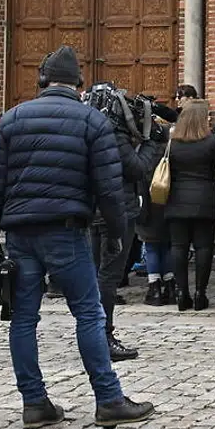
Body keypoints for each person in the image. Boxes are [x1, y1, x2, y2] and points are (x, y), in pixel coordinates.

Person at [0, 45, 153, 429]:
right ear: (78, 84)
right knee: (89, 313)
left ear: (42, 81)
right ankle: (108, 400)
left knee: (23, 318)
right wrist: (117, 233)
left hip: (20, 234)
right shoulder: (93, 121)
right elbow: (108, 187)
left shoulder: (12, 118)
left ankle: (34, 403)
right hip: (65, 231)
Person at [83, 85, 150, 361]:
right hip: (116, 212)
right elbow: (137, 168)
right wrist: (150, 143)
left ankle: (94, 335)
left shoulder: (85, 130)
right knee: (108, 277)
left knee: (98, 274)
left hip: (93, 210)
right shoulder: (114, 134)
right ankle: (103, 337)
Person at [164, 99, 215, 311]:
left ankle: (182, 293)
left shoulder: (172, 143)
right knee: (204, 247)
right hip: (206, 200)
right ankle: (200, 293)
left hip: (176, 199)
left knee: (178, 247)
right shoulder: (214, 142)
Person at [131, 98, 173, 306]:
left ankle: (154, 287)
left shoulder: (142, 152)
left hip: (146, 204)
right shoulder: (169, 151)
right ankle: (170, 284)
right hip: (167, 202)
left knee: (151, 247)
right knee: (166, 245)